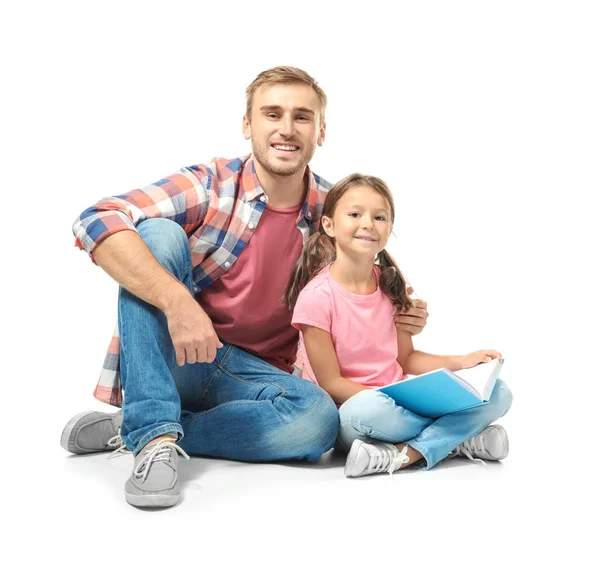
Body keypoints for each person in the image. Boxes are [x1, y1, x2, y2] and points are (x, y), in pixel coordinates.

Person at [60, 67, 430, 507]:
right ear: (247, 125)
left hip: (259, 379)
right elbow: (97, 218)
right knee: (156, 234)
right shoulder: (211, 184)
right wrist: (178, 302)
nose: (287, 129)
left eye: (302, 117)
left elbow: (378, 283)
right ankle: (154, 439)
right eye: (272, 114)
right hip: (181, 354)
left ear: (321, 131)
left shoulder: (337, 210)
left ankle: (137, 426)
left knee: (317, 421)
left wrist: (405, 314)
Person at [285, 173, 513, 477]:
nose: (368, 223)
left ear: (389, 229)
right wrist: (396, 400)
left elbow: (407, 359)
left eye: (379, 217)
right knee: (371, 411)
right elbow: (331, 383)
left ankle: (408, 453)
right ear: (329, 225)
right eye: (355, 214)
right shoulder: (315, 298)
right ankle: (457, 438)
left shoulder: (391, 284)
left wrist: (463, 362)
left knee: (499, 393)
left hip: (403, 402)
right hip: (356, 412)